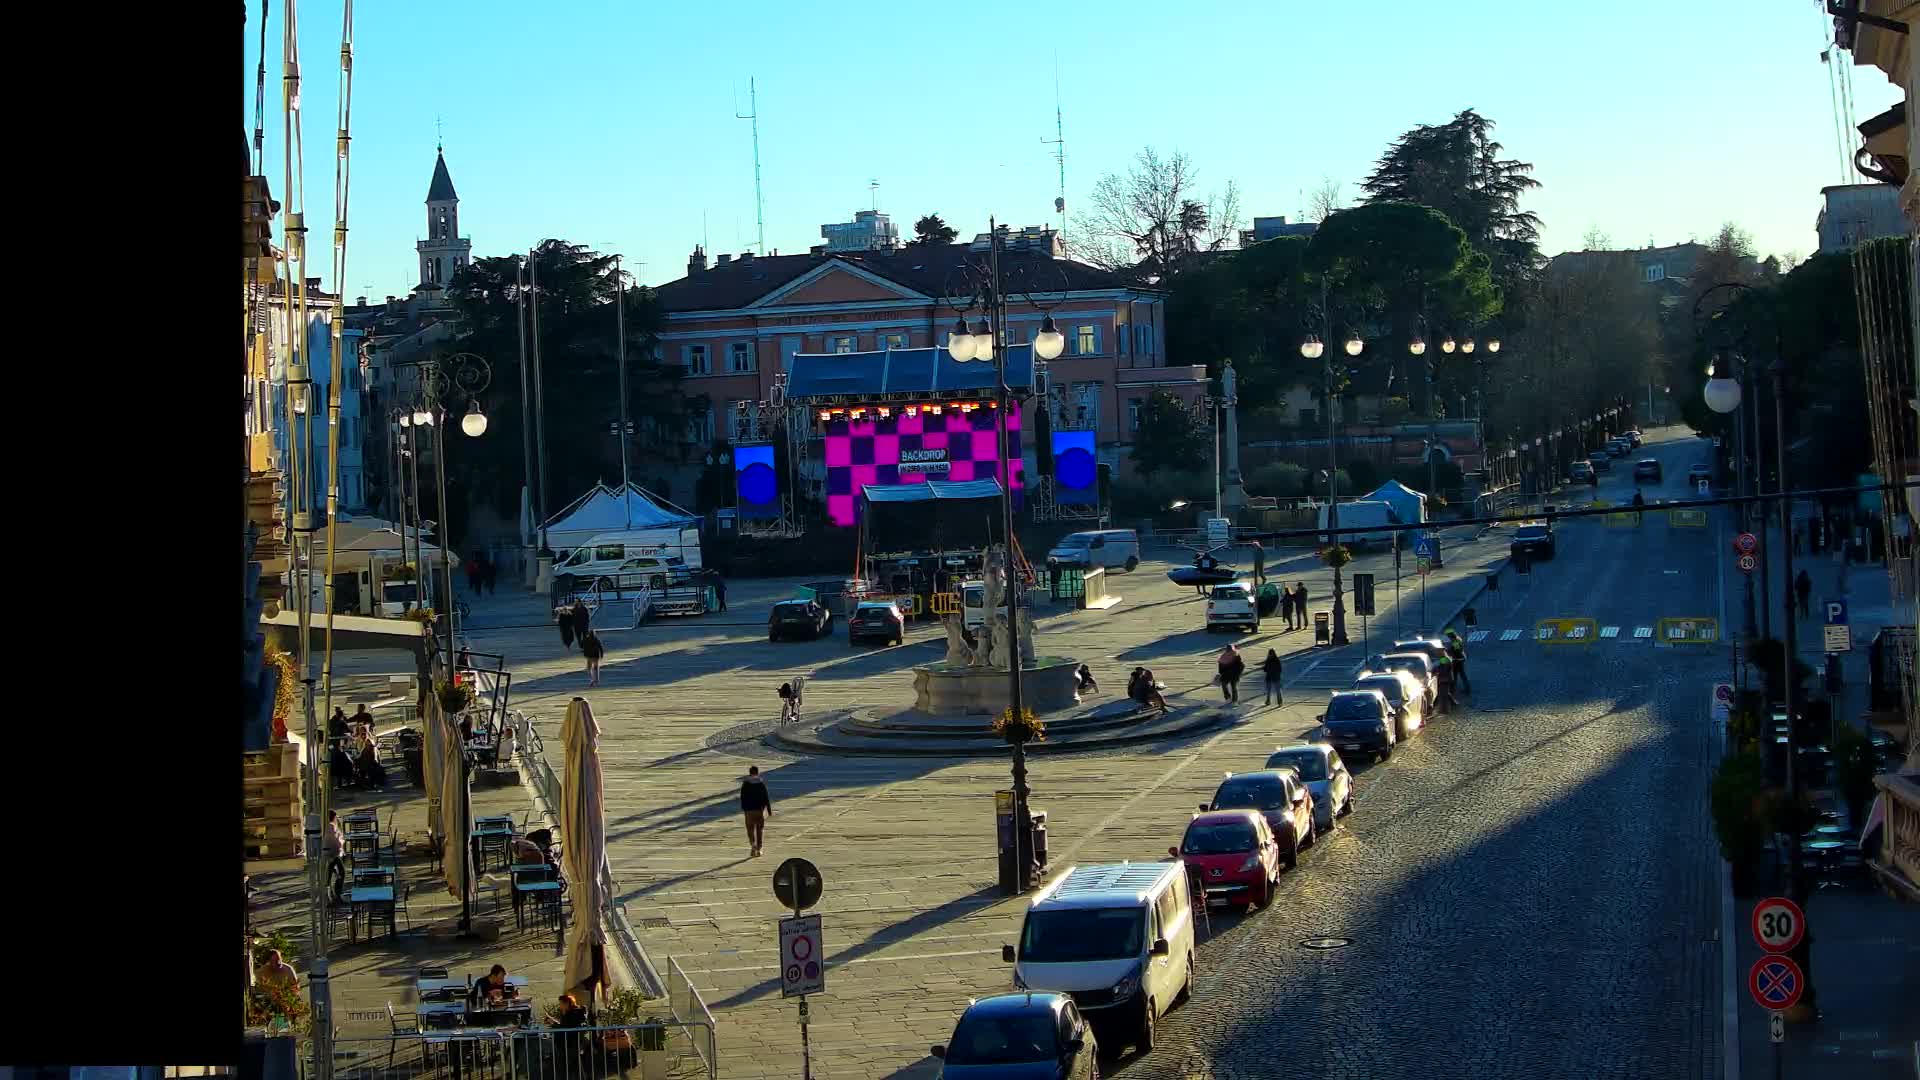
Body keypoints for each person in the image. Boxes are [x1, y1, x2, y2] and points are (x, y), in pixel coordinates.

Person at [740, 765, 773, 857]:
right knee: (759, 830)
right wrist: (769, 810)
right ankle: (759, 849)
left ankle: (753, 846)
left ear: (749, 773)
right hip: (759, 810)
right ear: (757, 773)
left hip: (749, 811)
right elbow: (766, 797)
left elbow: (742, 797)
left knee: (750, 829)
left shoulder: (745, 784)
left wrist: (744, 809)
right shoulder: (761, 783)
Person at [325, 809, 346, 901]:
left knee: (331, 874)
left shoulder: (329, 826)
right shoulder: (331, 827)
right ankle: (337, 894)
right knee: (340, 873)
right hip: (333, 854)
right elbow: (336, 841)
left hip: (330, 853)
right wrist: (341, 845)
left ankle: (332, 895)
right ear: (333, 818)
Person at [1444, 629, 1471, 694]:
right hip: (1460, 659)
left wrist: (1448, 651)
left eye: (1448, 636)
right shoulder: (1458, 639)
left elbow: (1457, 651)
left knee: (1456, 675)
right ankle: (1465, 689)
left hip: (1457, 660)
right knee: (1461, 675)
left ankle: (1453, 690)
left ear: (1450, 635)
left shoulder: (1455, 642)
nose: (1448, 637)